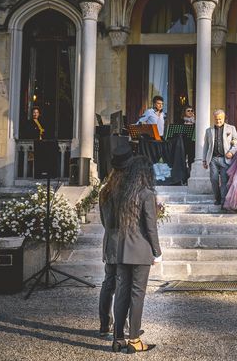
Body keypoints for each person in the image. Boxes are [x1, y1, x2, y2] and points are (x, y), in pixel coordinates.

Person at [102, 155, 162, 353]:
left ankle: (118, 338)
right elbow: (151, 228)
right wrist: (157, 252)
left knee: (121, 294)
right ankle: (135, 339)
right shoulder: (146, 194)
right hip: (140, 250)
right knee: (137, 295)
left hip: (121, 249)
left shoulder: (121, 193)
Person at [98, 144, 133, 338]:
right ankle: (124, 326)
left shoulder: (104, 190)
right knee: (123, 286)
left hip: (109, 241)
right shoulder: (127, 190)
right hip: (124, 242)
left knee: (108, 283)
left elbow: (104, 221)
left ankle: (104, 323)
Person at [203, 109, 237, 206]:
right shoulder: (208, 131)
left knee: (224, 180)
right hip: (213, 159)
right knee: (214, 179)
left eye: (220, 119)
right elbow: (206, 146)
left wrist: (231, 152)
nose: (218, 121)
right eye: (216, 119)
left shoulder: (231, 128)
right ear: (213, 119)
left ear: (224, 118)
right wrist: (204, 160)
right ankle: (217, 198)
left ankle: (223, 202)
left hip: (225, 159)